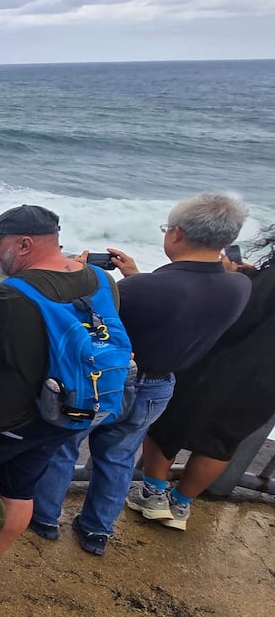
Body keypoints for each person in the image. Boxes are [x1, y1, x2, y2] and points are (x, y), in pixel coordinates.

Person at [33, 192, 250, 551]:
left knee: (64, 447)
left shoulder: (141, 289)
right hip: (160, 386)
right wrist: (136, 276)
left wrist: (78, 275)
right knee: (118, 457)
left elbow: (85, 321)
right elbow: (181, 302)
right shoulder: (238, 286)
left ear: (177, 234)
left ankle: (44, 520)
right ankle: (96, 531)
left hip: (105, 382)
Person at [0, 205, 115, 588]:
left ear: (25, 243)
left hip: (7, 421)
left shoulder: (9, 297)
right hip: (67, 414)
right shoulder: (102, 281)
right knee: (20, 491)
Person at [130, 225, 275, 523]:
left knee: (167, 425)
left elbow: (240, 317)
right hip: (267, 383)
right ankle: (180, 504)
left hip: (224, 368)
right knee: (220, 443)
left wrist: (235, 278)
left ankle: (154, 495)